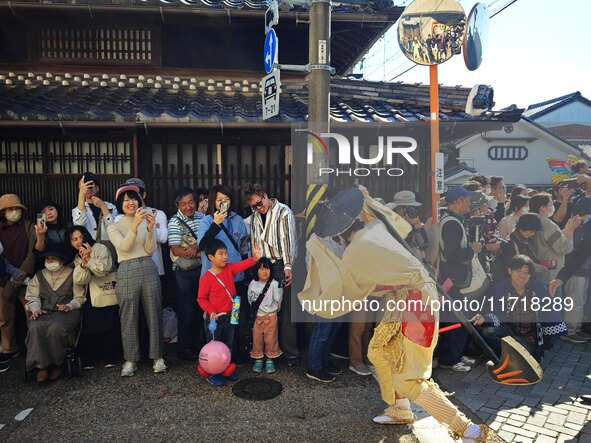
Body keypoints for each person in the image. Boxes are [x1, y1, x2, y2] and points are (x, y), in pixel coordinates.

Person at [298, 187, 488, 441]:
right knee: (379, 351)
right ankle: (399, 408)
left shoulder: (356, 250)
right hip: (407, 301)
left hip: (416, 305)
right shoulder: (376, 227)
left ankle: (467, 429)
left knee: (410, 378)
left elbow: (352, 289)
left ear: (341, 233)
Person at [107, 184, 166, 377]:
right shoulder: (114, 225)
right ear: (120, 204)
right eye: (126, 200)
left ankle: (157, 357)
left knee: (154, 313)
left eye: (134, 198)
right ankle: (131, 359)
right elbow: (124, 247)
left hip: (148, 266)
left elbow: (150, 250)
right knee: (128, 316)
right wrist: (135, 225)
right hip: (126, 269)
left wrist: (149, 230)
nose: (131, 203)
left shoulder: (145, 220)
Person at [243, 183, 299, 366]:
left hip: (282, 264)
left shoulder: (284, 212)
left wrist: (288, 266)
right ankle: (267, 352)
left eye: (260, 203)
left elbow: (288, 241)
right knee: (264, 311)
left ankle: (290, 354)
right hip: (263, 266)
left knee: (286, 312)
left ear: (265, 195)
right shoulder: (253, 216)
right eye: (254, 206)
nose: (259, 208)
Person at [197, 240, 261, 386]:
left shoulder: (229, 269)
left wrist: (255, 258)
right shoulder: (206, 278)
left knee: (228, 343)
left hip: (231, 314)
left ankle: (226, 368)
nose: (225, 256)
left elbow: (242, 265)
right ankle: (213, 372)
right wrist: (211, 311)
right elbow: (201, 299)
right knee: (214, 346)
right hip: (215, 319)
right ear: (210, 257)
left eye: (225, 253)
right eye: (221, 253)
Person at [481, 255, 567, 362]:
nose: (522, 275)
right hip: (508, 334)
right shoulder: (499, 288)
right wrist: (484, 319)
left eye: (527, 272)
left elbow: (548, 316)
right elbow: (495, 313)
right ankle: (509, 356)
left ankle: (510, 357)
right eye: (518, 270)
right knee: (486, 332)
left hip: (528, 338)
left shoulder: (539, 288)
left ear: (531, 275)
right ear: (509, 271)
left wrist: (545, 346)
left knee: (525, 352)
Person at [198, 185, 250, 360]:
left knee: (235, 319)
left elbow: (243, 245)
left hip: (236, 279)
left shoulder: (237, 219)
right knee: (216, 321)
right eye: (220, 200)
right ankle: (214, 358)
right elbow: (202, 245)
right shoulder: (206, 221)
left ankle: (234, 353)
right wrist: (216, 224)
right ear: (213, 201)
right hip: (216, 283)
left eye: (226, 199)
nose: (223, 203)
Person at [25, 244, 85, 383]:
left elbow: (79, 298)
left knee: (56, 327)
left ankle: (58, 362)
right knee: (35, 326)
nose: (50, 261)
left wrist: (69, 306)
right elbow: (32, 296)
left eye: (54, 258)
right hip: (44, 310)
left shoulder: (72, 273)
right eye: (48, 258)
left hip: (67, 311)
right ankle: (42, 365)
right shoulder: (39, 276)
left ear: (62, 260)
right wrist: (35, 309)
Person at [436, 187, 480, 372]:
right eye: (467, 200)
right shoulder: (452, 223)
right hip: (452, 279)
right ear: (458, 201)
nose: (469, 204)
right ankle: (450, 359)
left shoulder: (450, 220)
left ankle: (454, 355)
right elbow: (452, 254)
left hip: (451, 279)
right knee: (455, 318)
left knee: (455, 317)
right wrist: (473, 250)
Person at [68, 226, 120, 369]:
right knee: (90, 326)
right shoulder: (76, 258)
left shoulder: (100, 248)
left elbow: (105, 269)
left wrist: (90, 259)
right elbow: (80, 280)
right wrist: (83, 265)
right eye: (74, 239)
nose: (79, 241)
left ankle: (110, 356)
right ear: (71, 243)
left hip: (106, 290)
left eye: (81, 237)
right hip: (90, 293)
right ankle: (92, 357)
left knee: (109, 324)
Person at [0, 194, 35, 372]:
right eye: (10, 209)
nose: (14, 212)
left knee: (31, 313)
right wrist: (11, 274)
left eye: (17, 209)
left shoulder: (28, 226)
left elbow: (33, 251)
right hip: (4, 279)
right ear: (3, 212)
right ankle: (8, 348)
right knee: (5, 317)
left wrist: (21, 274)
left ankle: (33, 347)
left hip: (26, 278)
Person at [168, 187, 204, 360]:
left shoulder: (203, 218)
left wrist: (195, 247)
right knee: (187, 310)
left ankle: (195, 342)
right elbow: (175, 250)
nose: (188, 207)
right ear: (178, 205)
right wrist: (199, 253)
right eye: (183, 204)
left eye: (191, 202)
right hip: (184, 272)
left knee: (199, 308)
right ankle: (184, 347)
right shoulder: (174, 222)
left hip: (202, 270)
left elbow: (208, 240)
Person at [548, 196, 591, 343]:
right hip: (577, 271)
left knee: (580, 301)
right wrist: (562, 276)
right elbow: (579, 253)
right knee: (575, 301)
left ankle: (576, 329)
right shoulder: (579, 225)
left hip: (582, 270)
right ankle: (570, 330)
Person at [530, 192, 579, 284]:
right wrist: (571, 230)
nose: (553, 207)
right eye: (551, 204)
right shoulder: (548, 224)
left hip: (540, 268)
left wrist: (567, 229)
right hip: (551, 274)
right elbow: (564, 247)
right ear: (543, 208)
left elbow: (554, 239)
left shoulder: (534, 221)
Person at [247, 257, 283, 374]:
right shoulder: (253, 283)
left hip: (271, 317)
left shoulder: (275, 284)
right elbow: (250, 299)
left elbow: (278, 301)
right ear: (256, 270)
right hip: (257, 317)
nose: (265, 271)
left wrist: (274, 312)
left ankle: (270, 359)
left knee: (271, 339)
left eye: (267, 269)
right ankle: (258, 359)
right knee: (257, 339)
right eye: (261, 269)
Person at [491, 213, 544, 283]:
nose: (533, 234)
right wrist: (533, 267)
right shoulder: (510, 244)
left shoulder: (527, 240)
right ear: (522, 229)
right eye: (532, 231)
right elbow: (512, 267)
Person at [72, 173, 118, 241]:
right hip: (88, 247)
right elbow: (79, 226)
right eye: (83, 185)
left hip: (108, 246)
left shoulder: (111, 207)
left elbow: (115, 228)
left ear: (97, 188)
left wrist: (103, 207)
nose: (87, 187)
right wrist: (81, 195)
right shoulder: (76, 210)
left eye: (90, 184)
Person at [32, 198, 74, 264]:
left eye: (51, 209)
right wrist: (40, 236)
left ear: (57, 210)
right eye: (43, 212)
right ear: (39, 216)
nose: (48, 213)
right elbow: (38, 253)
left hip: (70, 264)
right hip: (49, 266)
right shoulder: (38, 230)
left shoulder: (69, 226)